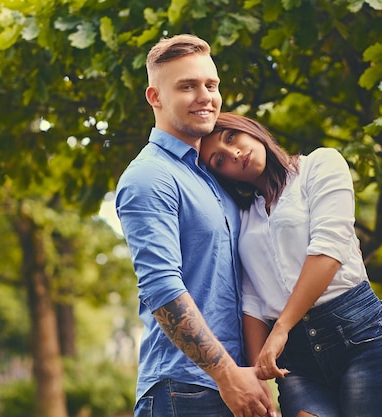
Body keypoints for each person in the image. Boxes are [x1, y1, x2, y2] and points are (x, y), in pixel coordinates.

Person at [199, 112, 382, 417]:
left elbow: (329, 248)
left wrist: (281, 328)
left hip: (359, 335)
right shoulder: (244, 216)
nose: (234, 153)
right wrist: (257, 375)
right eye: (220, 161)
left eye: (231, 137)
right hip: (297, 360)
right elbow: (253, 298)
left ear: (249, 129)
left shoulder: (320, 165)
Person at [115, 35, 277, 417]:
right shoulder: (149, 176)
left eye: (211, 85)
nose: (205, 96)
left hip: (233, 384)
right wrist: (226, 375)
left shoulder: (214, 174)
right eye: (187, 86)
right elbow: (160, 287)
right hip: (184, 390)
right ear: (155, 97)